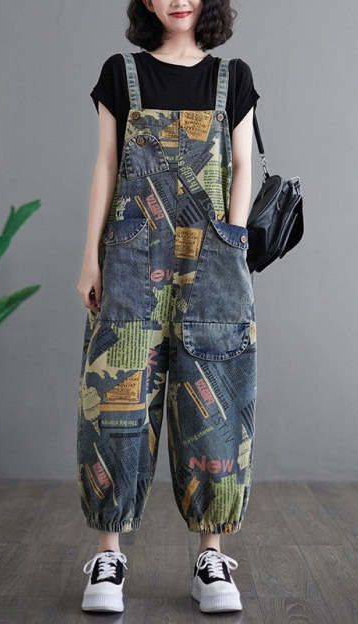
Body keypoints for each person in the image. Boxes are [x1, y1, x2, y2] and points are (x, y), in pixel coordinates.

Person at [76, 0, 259, 614]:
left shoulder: (233, 78)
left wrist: (231, 241)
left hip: (213, 257)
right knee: (117, 399)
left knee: (214, 400)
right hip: (131, 257)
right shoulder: (121, 73)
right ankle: (108, 556)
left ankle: (211, 558)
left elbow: (242, 164)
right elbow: (106, 165)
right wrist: (90, 257)